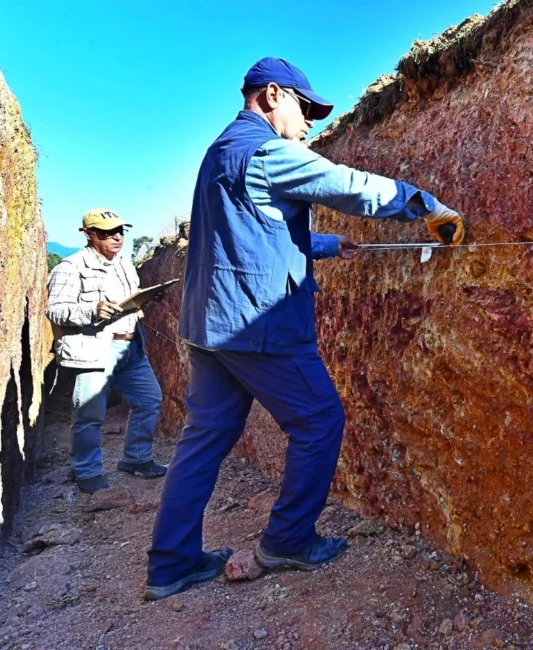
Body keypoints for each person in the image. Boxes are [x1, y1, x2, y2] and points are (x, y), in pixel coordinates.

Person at [144, 57, 465, 600]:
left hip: (208, 326)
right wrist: (426, 206)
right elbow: (349, 187)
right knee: (320, 421)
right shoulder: (269, 151)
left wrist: (327, 245)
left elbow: (247, 233)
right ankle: (288, 540)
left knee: (203, 440)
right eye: (306, 107)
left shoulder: (220, 152)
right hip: (254, 325)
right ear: (272, 95)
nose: (312, 121)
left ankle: (170, 565)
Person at [46, 209, 168, 494]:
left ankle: (136, 459)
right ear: (88, 234)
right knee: (89, 415)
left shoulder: (124, 264)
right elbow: (54, 310)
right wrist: (93, 309)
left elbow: (129, 302)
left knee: (149, 400)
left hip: (131, 347)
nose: (116, 237)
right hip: (94, 350)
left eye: (120, 231)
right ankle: (85, 471)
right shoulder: (70, 267)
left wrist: (148, 298)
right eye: (106, 232)